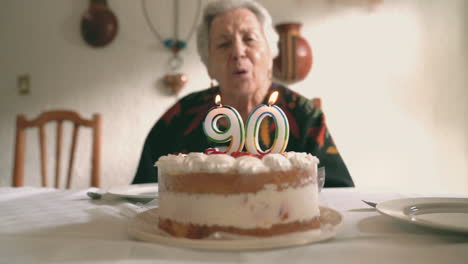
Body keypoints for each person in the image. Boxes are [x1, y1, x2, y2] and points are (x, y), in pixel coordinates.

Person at [133, 0, 354, 187]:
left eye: (249, 39)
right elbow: (141, 195)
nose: (238, 52)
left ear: (270, 53)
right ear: (208, 63)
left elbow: (339, 193)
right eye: (224, 44)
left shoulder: (304, 116)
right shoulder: (179, 118)